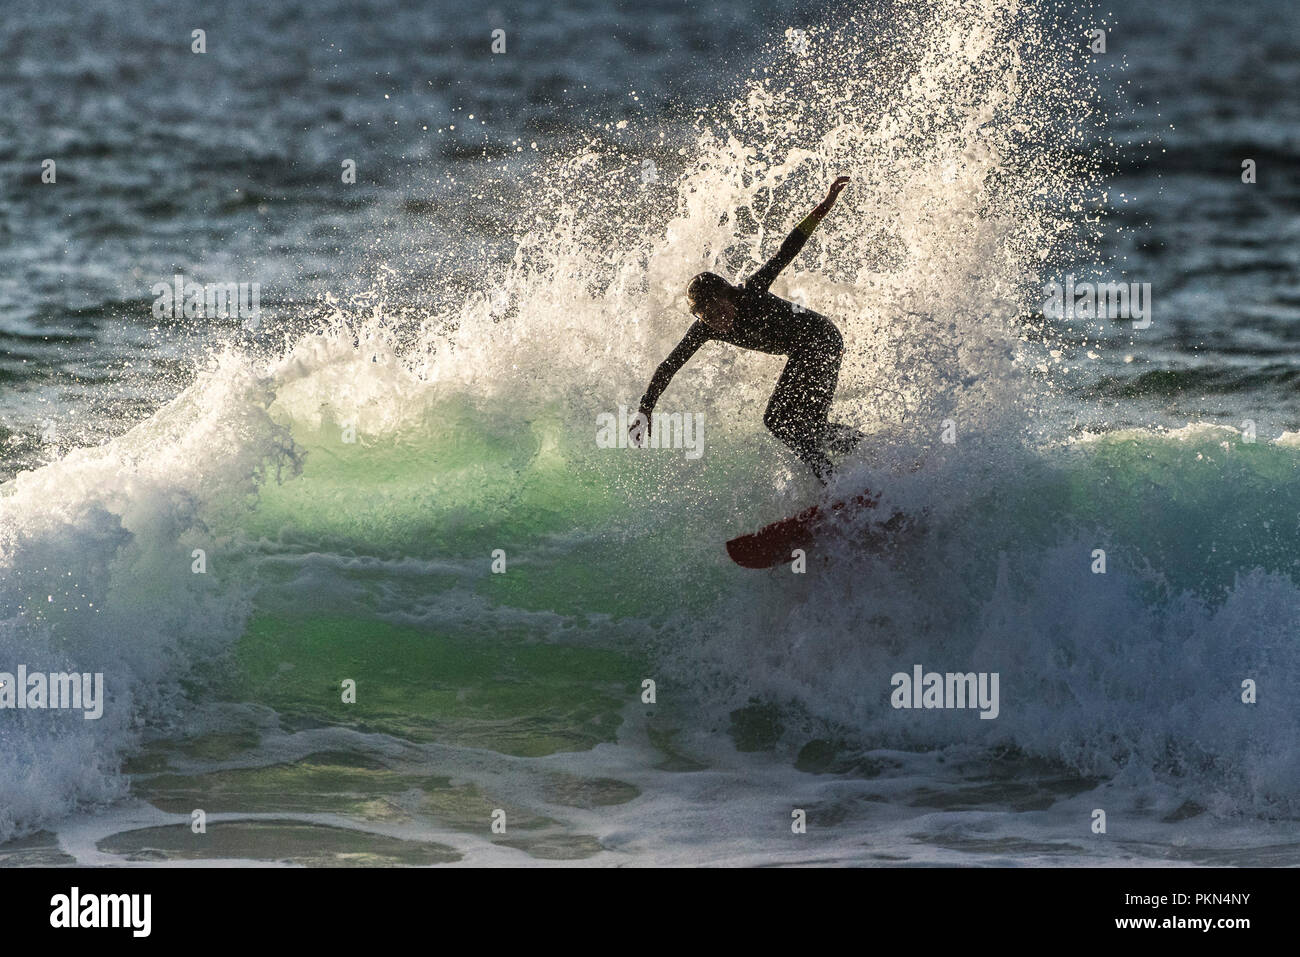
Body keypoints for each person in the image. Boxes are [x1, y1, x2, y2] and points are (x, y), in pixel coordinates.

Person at [632, 176, 862, 482]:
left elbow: (788, 248)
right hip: (803, 350)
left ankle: (831, 481)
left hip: (821, 340)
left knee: (778, 421)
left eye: (720, 310)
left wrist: (824, 206)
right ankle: (870, 450)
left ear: (730, 295)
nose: (717, 320)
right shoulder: (706, 328)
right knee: (809, 429)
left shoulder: (751, 291)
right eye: (707, 316)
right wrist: (645, 409)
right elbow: (668, 366)